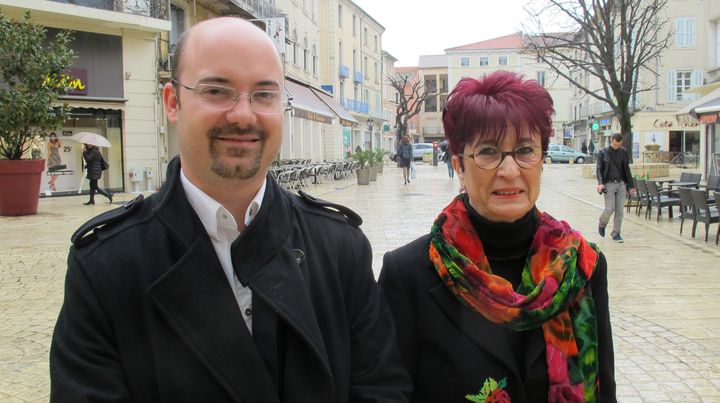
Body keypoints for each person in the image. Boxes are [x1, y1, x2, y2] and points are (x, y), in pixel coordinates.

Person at [50, 17, 410, 402]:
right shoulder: (107, 265)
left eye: (264, 94)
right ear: (173, 102)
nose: (242, 115)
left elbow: (381, 388)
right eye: (217, 90)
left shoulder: (340, 247)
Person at [379, 71, 616, 402]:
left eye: (525, 150)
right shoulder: (409, 274)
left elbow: (604, 391)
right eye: (489, 152)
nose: (509, 170)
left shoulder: (582, 266)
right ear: (460, 166)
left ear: (541, 161)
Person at [596, 133, 635, 243]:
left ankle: (616, 233)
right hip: (608, 184)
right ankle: (602, 223)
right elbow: (599, 169)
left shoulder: (623, 152)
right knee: (609, 208)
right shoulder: (603, 153)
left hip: (621, 184)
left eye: (619, 144)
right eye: (615, 144)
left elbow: (626, 169)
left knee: (619, 210)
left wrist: (631, 186)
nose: (617, 146)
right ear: (611, 141)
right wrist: (600, 183)